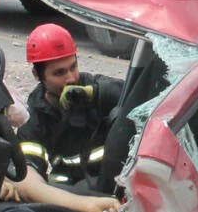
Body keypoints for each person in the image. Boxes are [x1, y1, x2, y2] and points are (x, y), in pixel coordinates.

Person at [17, 23, 123, 190]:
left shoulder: (92, 86)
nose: (71, 78)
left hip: (112, 176)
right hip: (70, 186)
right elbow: (29, 165)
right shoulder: (35, 116)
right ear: (38, 75)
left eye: (73, 67)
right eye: (59, 73)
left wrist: (93, 93)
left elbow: (130, 92)